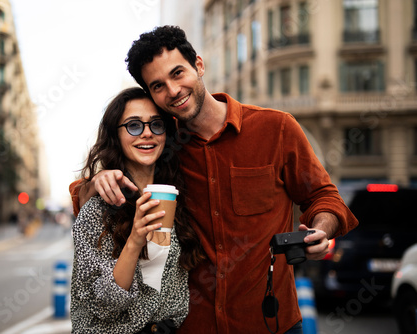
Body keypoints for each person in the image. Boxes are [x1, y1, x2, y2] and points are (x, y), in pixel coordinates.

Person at [70, 26, 359, 334]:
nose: (173, 90)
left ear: (199, 65)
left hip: (271, 323)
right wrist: (98, 179)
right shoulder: (161, 146)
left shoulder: (277, 129)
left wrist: (320, 230)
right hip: (193, 326)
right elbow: (90, 193)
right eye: (158, 85)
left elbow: (324, 197)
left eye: (178, 73)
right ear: (152, 95)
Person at [70, 87, 204, 334]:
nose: (146, 134)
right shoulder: (97, 210)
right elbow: (103, 307)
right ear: (116, 135)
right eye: (133, 125)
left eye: (156, 125)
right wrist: (134, 240)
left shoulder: (179, 199)